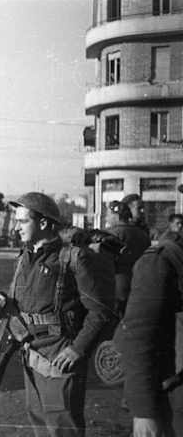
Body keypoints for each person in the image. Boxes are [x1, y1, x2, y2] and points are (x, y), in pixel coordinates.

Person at [0, 192, 112, 436]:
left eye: (23, 222)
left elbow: (100, 312)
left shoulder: (74, 258)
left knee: (63, 429)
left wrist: (78, 349)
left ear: (43, 223)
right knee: (40, 427)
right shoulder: (24, 257)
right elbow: (25, 299)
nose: (16, 227)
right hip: (30, 356)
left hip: (60, 360)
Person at [114, 182, 183, 437]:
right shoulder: (166, 256)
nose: (141, 211)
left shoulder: (144, 233)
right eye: (137, 207)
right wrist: (143, 410)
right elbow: (138, 337)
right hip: (132, 288)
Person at [107, 195, 151, 319]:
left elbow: (106, 262)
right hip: (139, 284)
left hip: (117, 286)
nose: (106, 218)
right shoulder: (142, 234)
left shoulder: (112, 234)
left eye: (108, 215)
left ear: (116, 217)